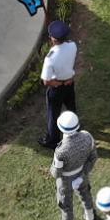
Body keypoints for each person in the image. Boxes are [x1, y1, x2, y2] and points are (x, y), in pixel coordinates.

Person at [47, 111, 100, 220]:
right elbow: (93, 157)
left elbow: (55, 173)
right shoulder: (88, 137)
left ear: (60, 127)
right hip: (82, 173)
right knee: (86, 194)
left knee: (66, 206)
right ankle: (90, 218)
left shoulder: (60, 151)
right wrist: (84, 172)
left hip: (65, 181)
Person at [38, 20, 78, 149]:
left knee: (53, 114)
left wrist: (58, 83)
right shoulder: (73, 45)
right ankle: (75, 128)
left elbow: (46, 81)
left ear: (53, 39)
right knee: (71, 106)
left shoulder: (50, 57)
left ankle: (52, 140)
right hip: (70, 83)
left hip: (57, 88)